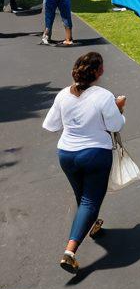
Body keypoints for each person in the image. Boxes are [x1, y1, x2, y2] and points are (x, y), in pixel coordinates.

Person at [42, 52, 126, 273]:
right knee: (90, 201)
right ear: (98, 72)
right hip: (95, 155)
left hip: (67, 155)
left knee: (83, 198)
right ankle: (70, 252)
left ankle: (93, 225)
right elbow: (116, 126)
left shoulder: (62, 95)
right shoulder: (104, 96)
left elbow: (51, 125)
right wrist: (118, 108)